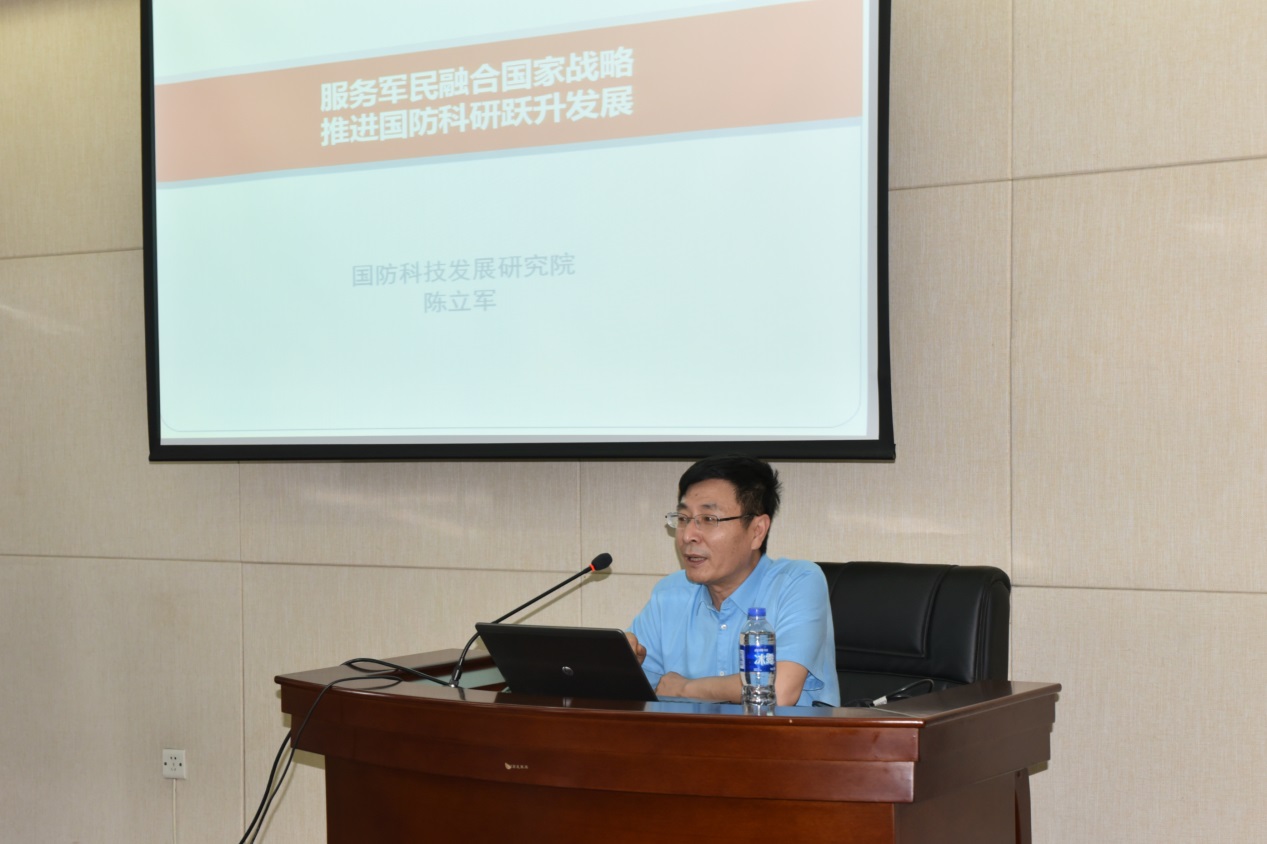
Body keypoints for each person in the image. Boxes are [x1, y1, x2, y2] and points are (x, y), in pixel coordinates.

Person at [627, 455, 839, 706]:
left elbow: (778, 690)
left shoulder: (797, 583)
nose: (688, 536)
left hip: (783, 733)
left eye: (709, 519)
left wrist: (685, 688)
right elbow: (638, 693)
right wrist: (624, 668)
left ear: (757, 531)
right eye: (683, 519)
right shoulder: (669, 594)